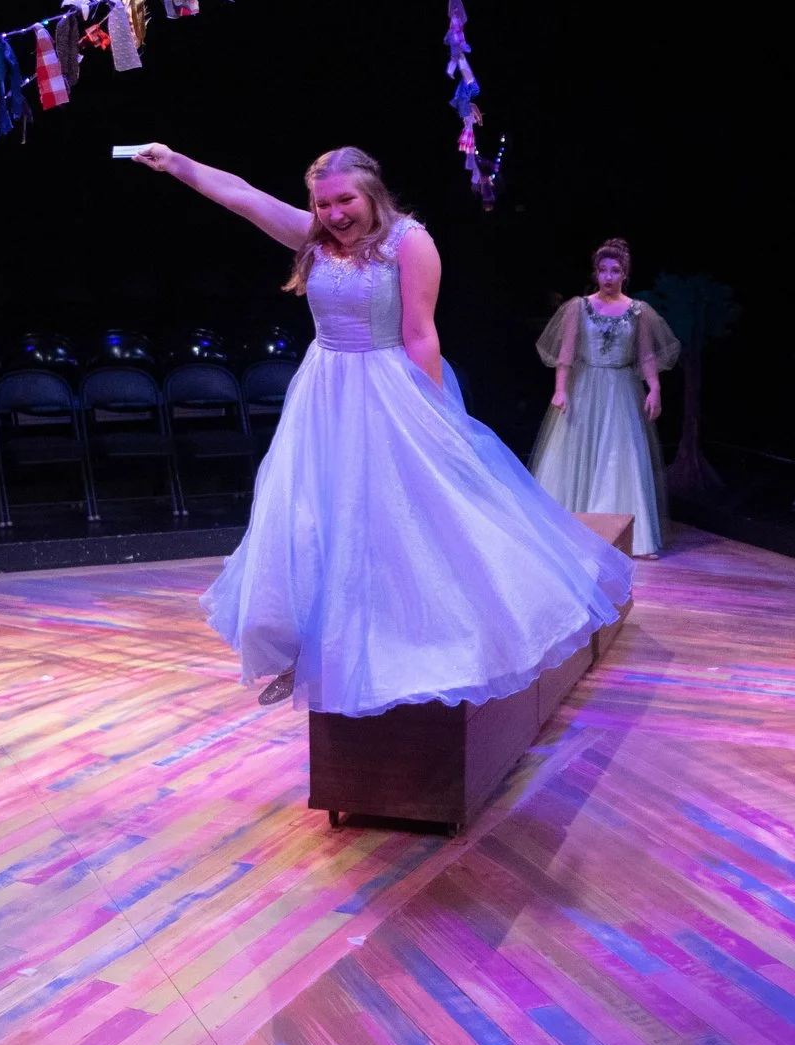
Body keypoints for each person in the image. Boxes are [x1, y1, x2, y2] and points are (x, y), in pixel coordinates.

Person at [130, 142, 630, 714]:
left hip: (387, 388)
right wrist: (177, 163)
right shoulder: (315, 237)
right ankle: (314, 647)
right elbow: (243, 196)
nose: (334, 214)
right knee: (314, 518)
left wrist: (435, 415)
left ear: (371, 192)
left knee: (399, 517)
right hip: (324, 393)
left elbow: (420, 333)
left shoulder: (408, 242)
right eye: (322, 204)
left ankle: (417, 643)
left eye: (345, 200)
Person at [529, 239, 681, 557]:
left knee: (618, 456)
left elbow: (646, 355)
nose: (608, 277)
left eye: (614, 271)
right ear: (595, 273)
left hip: (621, 390)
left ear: (625, 274)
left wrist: (655, 388)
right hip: (585, 386)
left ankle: (628, 539)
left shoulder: (638, 312)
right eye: (602, 270)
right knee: (577, 453)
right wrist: (560, 388)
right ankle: (567, 531)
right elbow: (566, 353)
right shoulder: (579, 307)